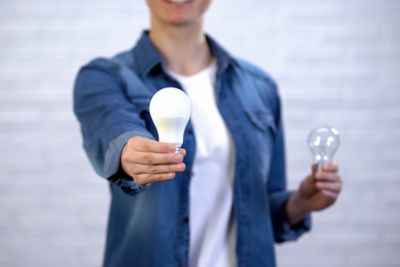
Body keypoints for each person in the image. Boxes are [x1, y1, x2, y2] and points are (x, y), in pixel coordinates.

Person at [73, 0, 343, 266]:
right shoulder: (105, 77)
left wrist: (300, 203)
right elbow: (113, 128)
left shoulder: (259, 88)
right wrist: (131, 152)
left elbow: (263, 214)